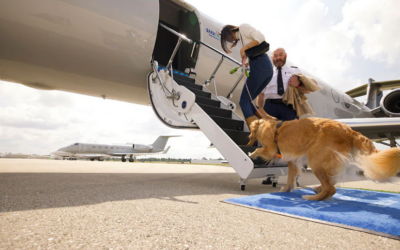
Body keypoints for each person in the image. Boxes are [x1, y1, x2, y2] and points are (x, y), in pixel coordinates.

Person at [257, 47, 309, 185]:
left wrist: (297, 83)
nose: (278, 58)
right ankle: (270, 174)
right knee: (270, 141)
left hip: (288, 107)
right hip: (269, 107)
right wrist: (260, 111)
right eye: (275, 56)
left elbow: (307, 89)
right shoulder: (266, 73)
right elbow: (261, 94)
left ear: (285, 56)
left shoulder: (294, 70)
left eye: (280, 55)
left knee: (292, 142)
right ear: (272, 58)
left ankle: (294, 176)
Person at [219, 24, 274, 130]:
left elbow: (260, 37)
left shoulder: (243, 28)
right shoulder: (242, 39)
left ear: (229, 31)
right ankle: (271, 121)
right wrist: (247, 63)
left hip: (260, 65)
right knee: (248, 102)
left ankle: (254, 133)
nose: (229, 40)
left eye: (226, 37)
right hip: (265, 68)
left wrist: (245, 48)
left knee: (243, 101)